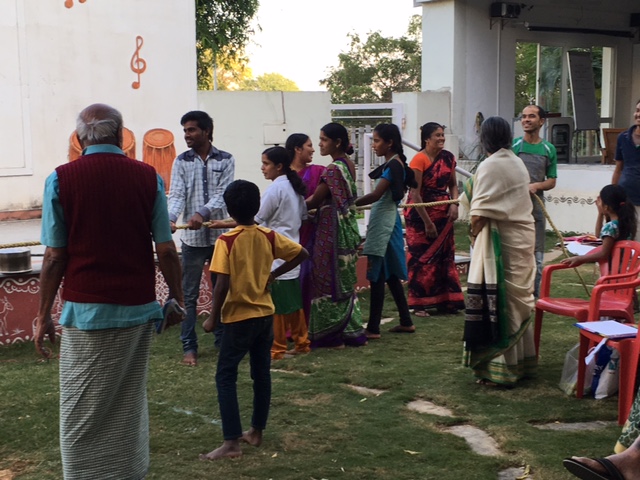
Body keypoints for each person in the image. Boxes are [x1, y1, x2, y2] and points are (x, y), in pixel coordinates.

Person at [34, 103, 184, 479]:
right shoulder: (148, 177)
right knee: (127, 404)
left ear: (79, 139)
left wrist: (42, 316)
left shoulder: (60, 179)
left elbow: (54, 256)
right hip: (136, 310)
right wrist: (177, 298)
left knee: (81, 411)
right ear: (121, 135)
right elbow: (165, 248)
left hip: (87, 312)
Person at [199, 180, 308, 461]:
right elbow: (301, 253)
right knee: (261, 375)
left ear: (230, 211)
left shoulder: (227, 241)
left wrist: (212, 319)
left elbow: (222, 283)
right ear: (257, 207)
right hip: (264, 316)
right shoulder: (268, 236)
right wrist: (274, 274)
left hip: (238, 318)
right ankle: (256, 432)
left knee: (226, 375)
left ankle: (231, 442)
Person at [460, 116, 537, 387]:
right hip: (522, 238)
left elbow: (478, 212)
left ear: (485, 138)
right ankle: (521, 363)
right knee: (516, 303)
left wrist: (472, 233)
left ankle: (499, 369)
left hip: (501, 243)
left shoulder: (490, 165)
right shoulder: (517, 162)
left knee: (502, 302)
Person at [168, 110, 235, 366]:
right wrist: (172, 218)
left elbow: (223, 194)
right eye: (185, 130)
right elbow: (176, 194)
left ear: (206, 131)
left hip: (220, 237)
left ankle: (222, 340)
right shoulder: (181, 161)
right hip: (193, 242)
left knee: (223, 291)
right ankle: (189, 347)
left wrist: (202, 212)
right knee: (189, 295)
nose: (187, 135)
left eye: (192, 130)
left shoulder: (226, 159)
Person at [305, 122, 367, 348]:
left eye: (323, 139)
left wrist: (287, 207)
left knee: (326, 279)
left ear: (337, 142)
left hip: (331, 231)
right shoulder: (348, 165)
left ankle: (329, 335)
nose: (319, 144)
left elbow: (314, 201)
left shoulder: (332, 170)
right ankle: (351, 331)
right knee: (343, 281)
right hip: (347, 227)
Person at [355, 123, 416, 338]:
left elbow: (375, 195)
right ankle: (406, 321)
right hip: (390, 221)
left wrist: (349, 204)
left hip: (383, 223)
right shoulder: (395, 163)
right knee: (388, 275)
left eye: (377, 140)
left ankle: (373, 328)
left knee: (377, 274)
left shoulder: (392, 166)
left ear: (389, 143)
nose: (373, 145)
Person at [404, 122, 465, 316]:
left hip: (444, 214)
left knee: (444, 258)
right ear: (427, 139)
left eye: (442, 135)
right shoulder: (419, 160)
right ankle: (419, 303)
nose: (441, 138)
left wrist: (455, 204)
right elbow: (415, 193)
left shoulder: (448, 158)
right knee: (420, 259)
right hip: (420, 216)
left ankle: (446, 301)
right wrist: (427, 223)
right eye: (437, 135)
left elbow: (453, 185)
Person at [513, 105, 558, 297]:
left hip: (536, 210)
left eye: (531, 116)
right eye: (523, 117)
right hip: (514, 210)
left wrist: (536, 186)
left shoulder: (549, 149)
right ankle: (516, 296)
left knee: (537, 258)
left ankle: (535, 297)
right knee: (516, 256)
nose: (526, 120)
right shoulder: (513, 147)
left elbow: (552, 180)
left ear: (541, 121)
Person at [286, 133, 326, 324]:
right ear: (297, 149)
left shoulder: (320, 171)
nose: (313, 149)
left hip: (316, 233)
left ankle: (312, 323)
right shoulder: (284, 177)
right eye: (309, 145)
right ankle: (295, 326)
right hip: (292, 234)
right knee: (294, 278)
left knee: (312, 278)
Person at [561, 184, 637, 268]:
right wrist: (600, 213)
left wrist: (580, 258)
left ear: (606, 207)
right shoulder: (627, 223)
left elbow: (603, 254)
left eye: (600, 201)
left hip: (612, 270)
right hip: (625, 269)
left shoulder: (610, 227)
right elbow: (598, 235)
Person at [612, 99, 640, 242]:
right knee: (626, 239)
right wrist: (612, 193)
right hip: (626, 197)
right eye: (637, 110)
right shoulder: (623, 138)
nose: (638, 115)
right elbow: (619, 168)